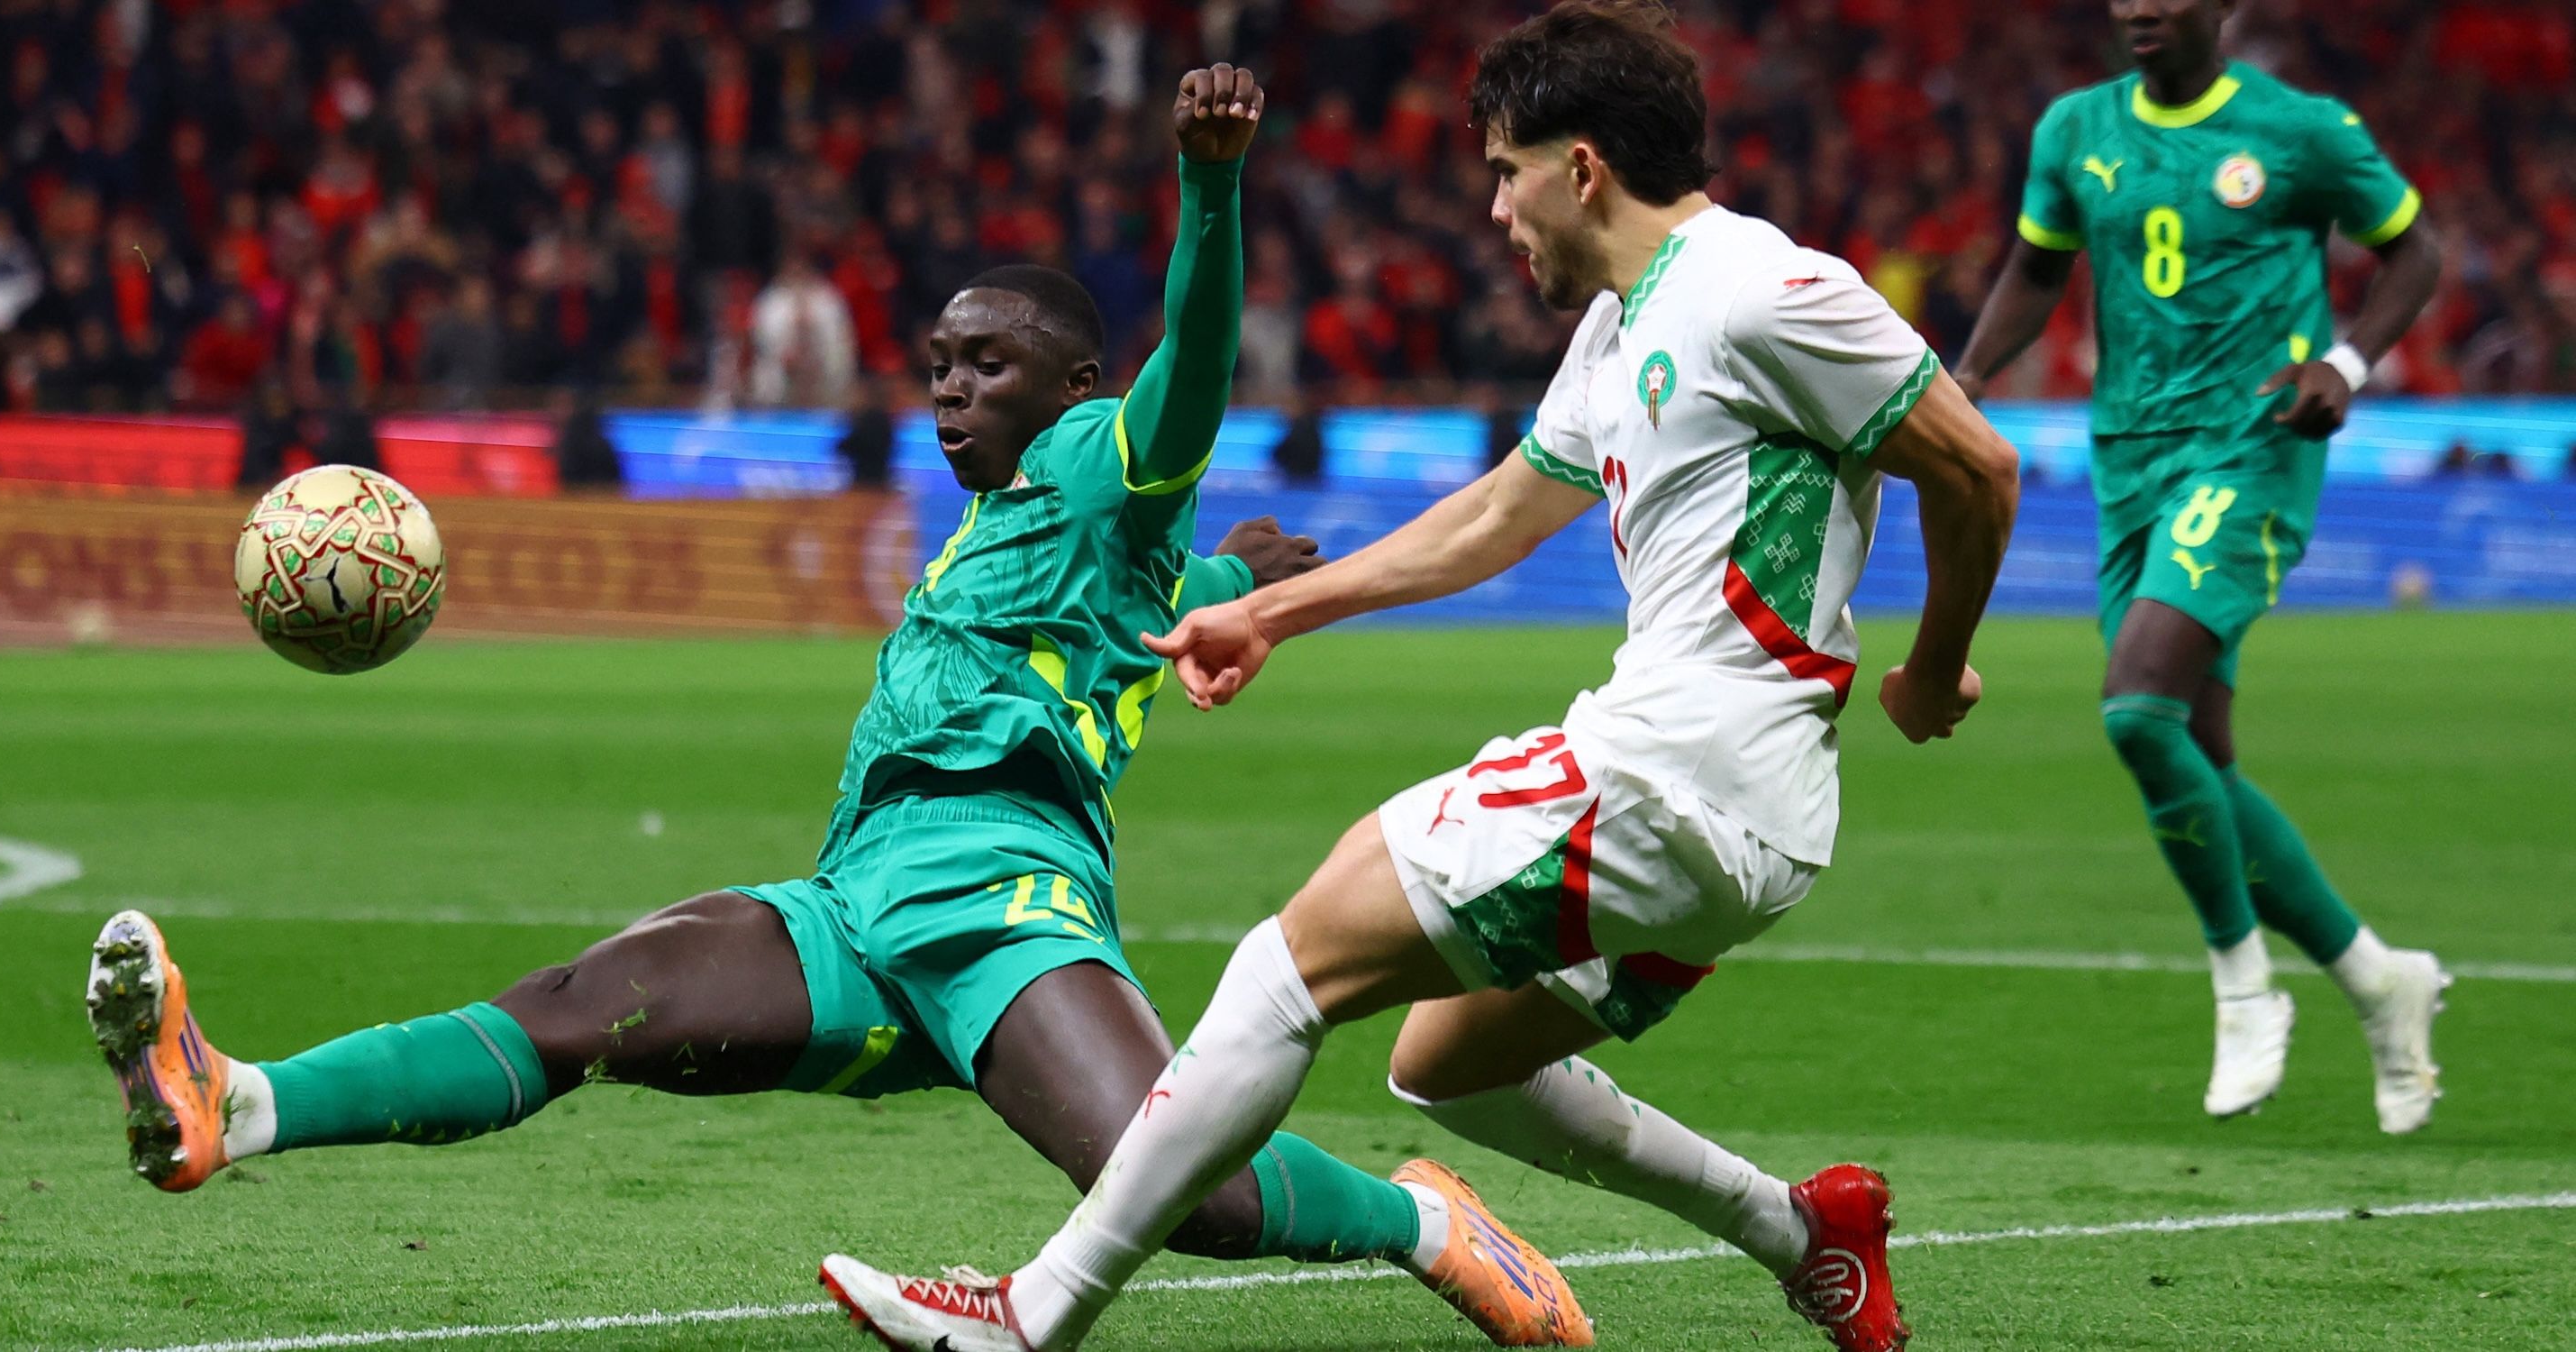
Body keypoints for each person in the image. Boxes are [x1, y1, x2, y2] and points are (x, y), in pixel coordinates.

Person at [86, 65, 1584, 1350]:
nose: (950, 394)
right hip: (858, 901)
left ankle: (1421, 1222)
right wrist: (1229, 572)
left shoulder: (1092, 464)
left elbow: (1187, 388)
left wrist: (1210, 191)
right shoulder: (1021, 526)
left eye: (987, 367)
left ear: (1075, 387)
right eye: (937, 366)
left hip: (1003, 895)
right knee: (570, 1012)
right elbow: (1143, 593)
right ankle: (238, 1103)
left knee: (1189, 1192)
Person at [819, 8, 2019, 1351]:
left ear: (1580, 168)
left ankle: (1031, 1315)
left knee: (1287, 965)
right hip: (1739, 813)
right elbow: (1491, 521)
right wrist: (1273, 613)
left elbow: (1977, 465)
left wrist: (1933, 663)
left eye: (1505, 171)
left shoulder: (1762, 287)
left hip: (1682, 770)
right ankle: (1805, 1234)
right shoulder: (1623, 328)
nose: (1496, 209)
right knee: (1444, 1068)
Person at [1952, 0, 2448, 1133]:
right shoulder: (2075, 130)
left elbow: (2418, 248)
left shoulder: (2300, 130)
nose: (2135, 7)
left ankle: (2242, 986)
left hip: (2254, 445)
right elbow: (2037, 270)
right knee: (2196, 756)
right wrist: (1967, 377)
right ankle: (2380, 979)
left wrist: (2350, 360)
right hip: (2130, 457)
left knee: (2136, 712)